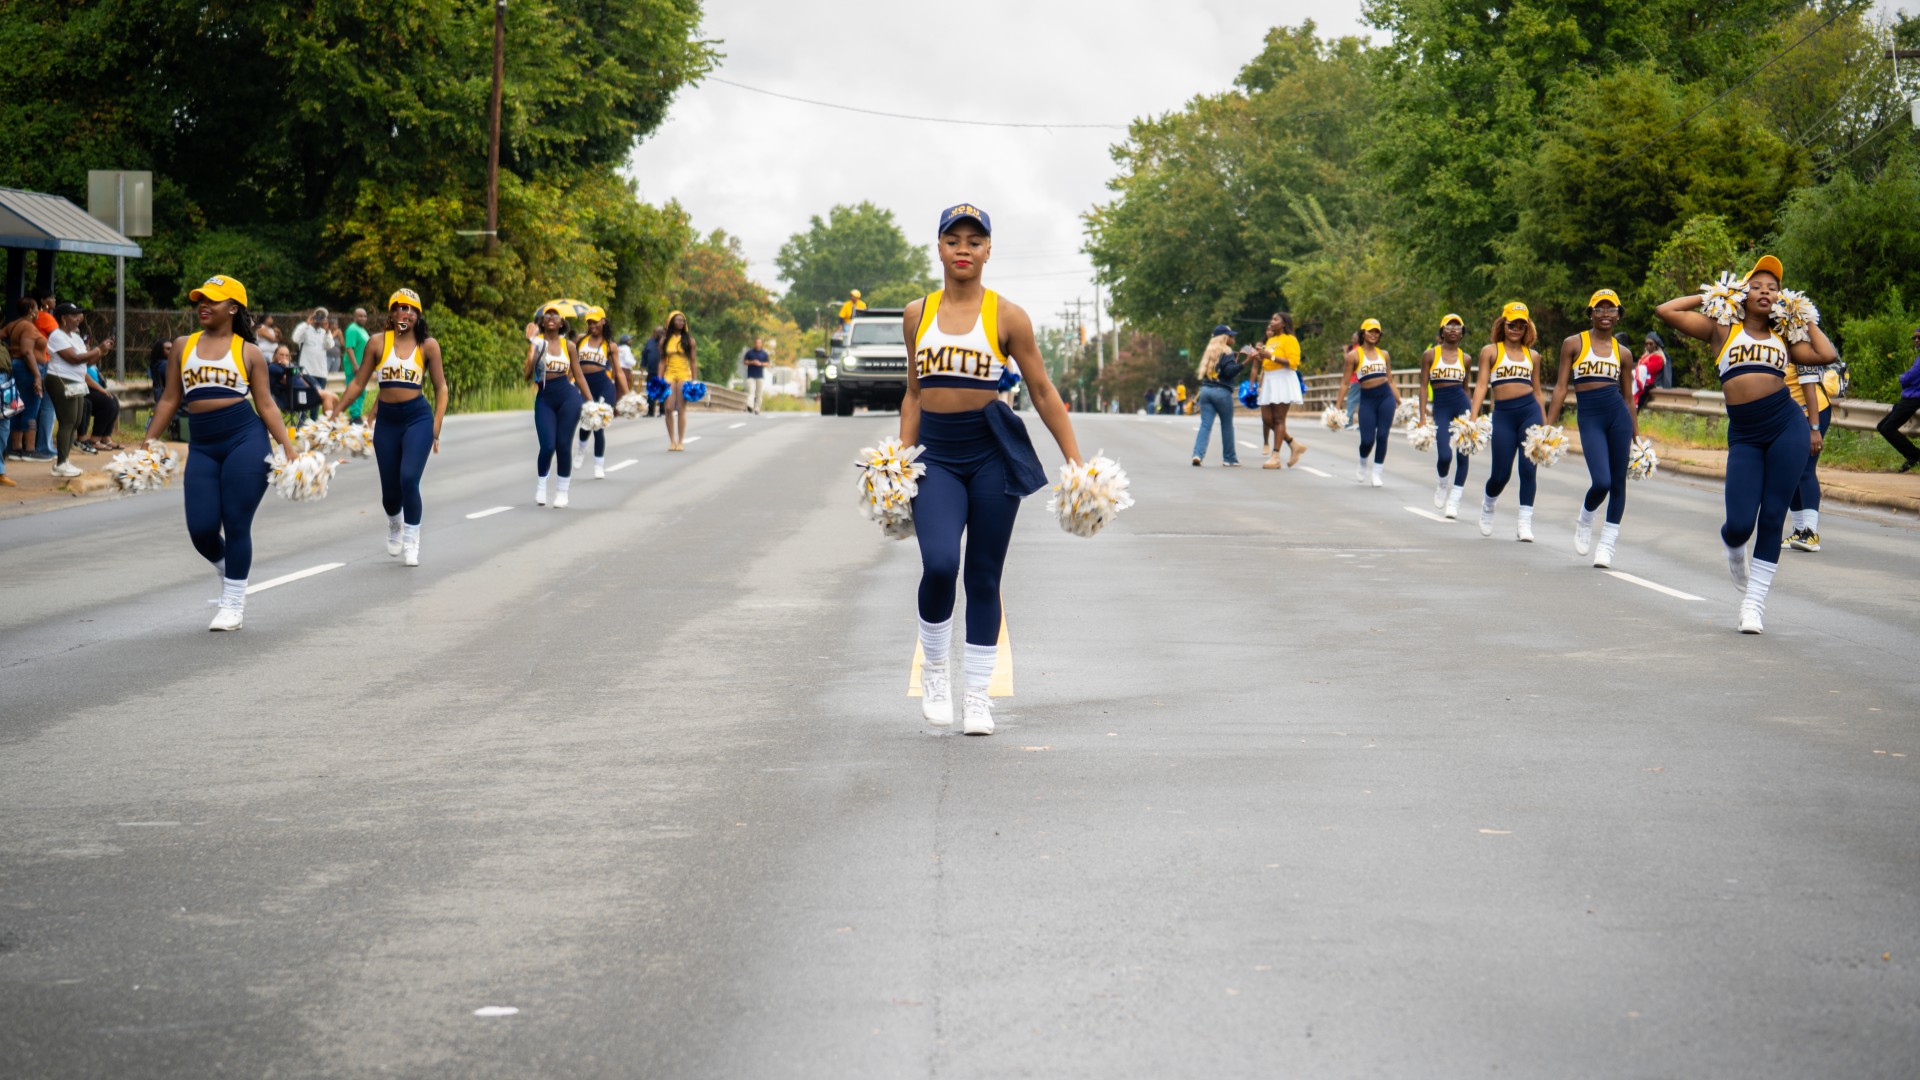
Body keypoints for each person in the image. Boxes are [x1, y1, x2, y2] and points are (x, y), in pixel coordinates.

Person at [902, 203, 1083, 736]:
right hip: (934, 455)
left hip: (990, 453)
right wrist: (899, 465)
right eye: (953, 239)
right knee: (939, 564)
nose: (963, 249)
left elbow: (1043, 391)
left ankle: (977, 696)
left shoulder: (1008, 316)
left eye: (974, 241)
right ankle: (936, 671)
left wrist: (1075, 460)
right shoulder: (917, 313)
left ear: (987, 250)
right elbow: (913, 394)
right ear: (938, 247)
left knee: (984, 575)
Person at [1656, 254, 1838, 634]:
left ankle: (1753, 605)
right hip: (1745, 435)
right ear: (1743, 291)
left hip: (1787, 424)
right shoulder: (1722, 329)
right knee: (1739, 524)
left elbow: (1826, 355)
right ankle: (1734, 546)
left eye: (1772, 288)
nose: (1765, 292)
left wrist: (1802, 315)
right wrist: (1717, 295)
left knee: (1773, 516)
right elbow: (1665, 309)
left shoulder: (1784, 335)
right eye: (1756, 285)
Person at [142, 275, 299, 631]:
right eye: (201, 299)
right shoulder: (183, 345)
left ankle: (233, 603)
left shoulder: (249, 352)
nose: (204, 305)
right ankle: (231, 569)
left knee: (236, 521)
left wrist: (287, 447)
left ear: (233, 308)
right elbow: (169, 398)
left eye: (213, 300)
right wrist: (147, 441)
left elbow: (267, 405)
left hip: (245, 439)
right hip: (202, 444)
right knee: (201, 529)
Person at [330, 288, 447, 565]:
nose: (404, 313)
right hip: (388, 421)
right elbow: (358, 383)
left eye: (410, 309)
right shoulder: (377, 343)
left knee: (409, 478)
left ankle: (412, 539)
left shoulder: (428, 346)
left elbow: (441, 387)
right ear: (391, 313)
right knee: (391, 493)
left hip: (418, 418)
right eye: (399, 308)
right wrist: (336, 412)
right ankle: (395, 523)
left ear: (418, 315)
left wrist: (437, 427)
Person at [1546, 291, 1638, 567]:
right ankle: (1585, 519)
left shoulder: (1624, 353)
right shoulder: (1573, 343)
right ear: (1590, 313)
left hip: (1618, 417)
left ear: (1619, 315)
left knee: (1618, 482)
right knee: (1602, 481)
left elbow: (1629, 398)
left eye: (1611, 309)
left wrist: (1637, 436)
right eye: (1600, 308)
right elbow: (1562, 387)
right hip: (1590, 418)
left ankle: (1607, 546)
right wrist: (1547, 427)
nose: (1606, 314)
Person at [1469, 302, 1545, 541]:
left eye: (1522, 326)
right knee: (1501, 473)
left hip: (1529, 412)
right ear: (1503, 325)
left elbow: (1538, 391)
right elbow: (1481, 385)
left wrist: (1544, 426)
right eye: (1512, 324)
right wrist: (1472, 418)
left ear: (1527, 329)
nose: (1516, 329)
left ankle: (1524, 522)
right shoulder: (1490, 351)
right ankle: (1489, 505)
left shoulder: (1533, 356)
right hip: (1503, 414)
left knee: (1528, 468)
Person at [524, 303, 594, 507]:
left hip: (567, 396)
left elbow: (579, 376)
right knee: (547, 445)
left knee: (563, 444)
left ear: (562, 322)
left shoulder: (569, 346)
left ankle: (562, 492)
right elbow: (528, 375)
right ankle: (541, 486)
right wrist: (534, 350)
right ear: (543, 321)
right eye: (548, 315)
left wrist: (591, 402)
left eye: (556, 315)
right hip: (545, 397)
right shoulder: (536, 343)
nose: (552, 317)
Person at [44, 302, 114, 478]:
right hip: (61, 380)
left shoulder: (75, 337)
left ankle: (65, 461)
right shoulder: (57, 336)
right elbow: (74, 359)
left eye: (78, 315)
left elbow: (87, 361)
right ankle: (60, 464)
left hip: (76, 381)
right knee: (67, 421)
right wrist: (98, 349)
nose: (78, 319)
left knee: (75, 421)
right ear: (63, 318)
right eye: (74, 315)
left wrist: (102, 352)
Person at [1419, 314, 1473, 517]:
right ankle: (1442, 483)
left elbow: (1466, 389)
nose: (1453, 329)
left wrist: (1472, 417)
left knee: (1463, 453)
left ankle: (1455, 499)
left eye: (1457, 326)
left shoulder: (1465, 358)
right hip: (1441, 406)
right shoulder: (1430, 355)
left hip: (1461, 405)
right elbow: (1423, 386)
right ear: (1442, 331)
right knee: (1444, 454)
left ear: (1462, 333)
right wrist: (1423, 416)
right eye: (1448, 326)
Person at [571, 307, 630, 478]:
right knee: (586, 419)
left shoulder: (610, 345)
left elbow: (619, 372)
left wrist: (627, 395)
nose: (592, 326)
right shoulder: (581, 340)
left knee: (598, 425)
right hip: (584, 383)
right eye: (589, 322)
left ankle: (599, 464)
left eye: (595, 322)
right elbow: (572, 363)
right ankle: (581, 448)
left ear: (603, 321)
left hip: (603, 383)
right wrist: (567, 379)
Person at [1784, 353, 1832, 553]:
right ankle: (1799, 530)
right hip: (1791, 414)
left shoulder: (1798, 348)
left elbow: (1809, 389)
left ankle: (1811, 533)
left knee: (1805, 469)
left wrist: (1814, 429)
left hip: (1813, 412)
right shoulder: (1773, 345)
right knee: (1790, 472)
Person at [1342, 318, 1397, 487]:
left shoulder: (1384, 354)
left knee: (1382, 435)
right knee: (1367, 439)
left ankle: (1377, 472)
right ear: (1363, 333)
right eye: (1370, 331)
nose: (1374, 334)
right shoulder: (1353, 356)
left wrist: (1401, 401)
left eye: (1377, 332)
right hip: (1367, 399)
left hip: (1386, 397)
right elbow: (1345, 383)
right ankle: (1363, 462)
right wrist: (1337, 408)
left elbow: (1391, 380)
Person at [1254, 312, 1306, 469]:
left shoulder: (1290, 340)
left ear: (1284, 324)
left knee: (1278, 419)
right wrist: (1260, 355)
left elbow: (1293, 363)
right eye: (1272, 318)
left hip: (1283, 379)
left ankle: (1275, 456)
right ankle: (1293, 443)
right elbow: (1268, 359)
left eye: (1275, 319)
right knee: (1267, 419)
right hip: (1270, 379)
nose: (1272, 321)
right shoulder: (1271, 340)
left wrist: (1271, 357)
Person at [3, 296, 50, 464]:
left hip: (18, 367)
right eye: (37, 308)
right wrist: (37, 375)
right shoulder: (29, 327)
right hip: (29, 369)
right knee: (31, 408)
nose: (39, 311)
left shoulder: (13, 324)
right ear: (31, 311)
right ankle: (29, 450)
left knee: (17, 407)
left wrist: (9, 351)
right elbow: (27, 351)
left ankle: (16, 449)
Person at [1189, 325, 1241, 466]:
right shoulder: (1227, 351)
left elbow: (1220, 369)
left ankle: (1197, 454)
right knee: (1227, 425)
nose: (1233, 338)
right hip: (1222, 393)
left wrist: (1233, 361)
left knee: (1205, 425)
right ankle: (1229, 459)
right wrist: (1244, 363)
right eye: (1230, 335)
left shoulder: (1209, 353)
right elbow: (1229, 372)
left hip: (1206, 391)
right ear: (1224, 337)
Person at [1875, 326, 1920, 473]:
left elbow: (1909, 377)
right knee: (1882, 426)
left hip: (1913, 399)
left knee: (1887, 428)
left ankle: (1914, 456)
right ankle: (1913, 455)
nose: (1916, 340)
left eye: (1919, 338)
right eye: (1914, 338)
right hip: (1909, 397)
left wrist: (1902, 378)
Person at [659, 310, 696, 451]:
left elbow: (693, 361)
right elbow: (662, 361)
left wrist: (693, 380)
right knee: (668, 408)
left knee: (681, 408)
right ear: (671, 322)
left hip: (684, 374)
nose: (680, 322)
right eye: (677, 320)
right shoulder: (664, 341)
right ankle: (672, 441)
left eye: (682, 320)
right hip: (669, 374)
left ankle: (680, 441)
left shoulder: (689, 341)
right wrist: (658, 378)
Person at [81, 361, 122, 452]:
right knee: (107, 402)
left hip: (94, 389)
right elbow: (86, 378)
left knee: (114, 400)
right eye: (86, 346)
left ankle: (105, 437)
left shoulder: (91, 359)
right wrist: (101, 390)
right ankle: (95, 439)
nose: (88, 348)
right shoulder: (80, 356)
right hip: (84, 389)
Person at [341, 307, 371, 422]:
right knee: (353, 390)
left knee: (361, 391)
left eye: (365, 316)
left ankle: (357, 413)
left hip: (362, 367)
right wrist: (355, 365)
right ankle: (354, 415)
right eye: (360, 316)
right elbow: (349, 348)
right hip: (354, 367)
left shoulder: (362, 330)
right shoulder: (352, 329)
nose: (363, 318)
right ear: (354, 317)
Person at [1635, 333, 1668, 411]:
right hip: (1640, 382)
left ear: (1656, 345)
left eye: (1651, 344)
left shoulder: (1658, 358)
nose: (1648, 346)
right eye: (1646, 344)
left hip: (1649, 384)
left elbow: (1647, 369)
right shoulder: (1645, 356)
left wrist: (1636, 370)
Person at [640, 325, 664, 417]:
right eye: (658, 333)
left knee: (662, 390)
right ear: (655, 333)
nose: (660, 334)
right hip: (652, 371)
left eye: (662, 332)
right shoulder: (649, 342)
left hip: (663, 372)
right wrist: (642, 365)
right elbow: (644, 354)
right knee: (651, 391)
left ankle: (662, 412)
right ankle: (650, 412)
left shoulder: (666, 343)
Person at [743, 336, 770, 414]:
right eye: (756, 343)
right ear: (754, 343)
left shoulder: (764, 354)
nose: (757, 344)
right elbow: (745, 362)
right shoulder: (750, 353)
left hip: (760, 376)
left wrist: (760, 363)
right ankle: (750, 406)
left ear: (761, 344)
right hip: (751, 375)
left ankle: (757, 408)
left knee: (759, 393)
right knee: (751, 391)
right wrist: (752, 362)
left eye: (759, 343)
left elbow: (767, 363)